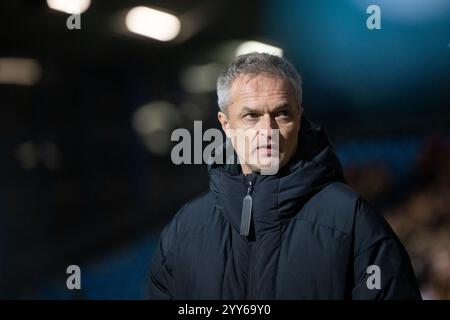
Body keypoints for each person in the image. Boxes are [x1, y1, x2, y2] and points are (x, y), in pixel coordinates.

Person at [148, 52, 421, 299]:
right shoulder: (185, 228)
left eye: (281, 114)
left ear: (299, 118)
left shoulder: (351, 218)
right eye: (251, 116)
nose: (268, 130)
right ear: (226, 124)